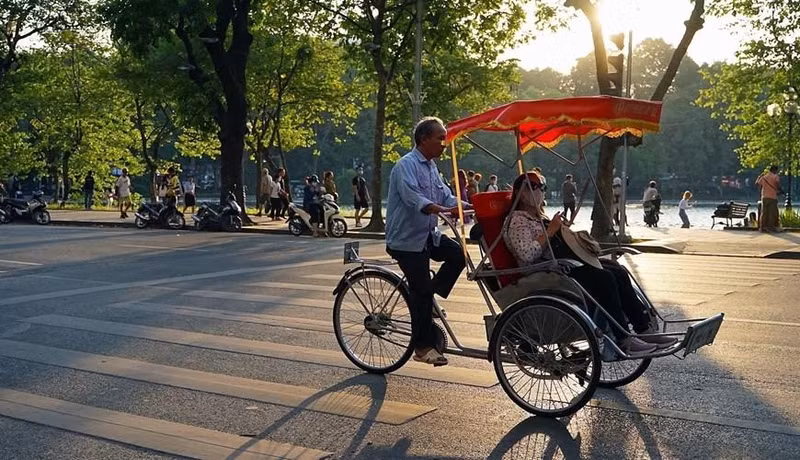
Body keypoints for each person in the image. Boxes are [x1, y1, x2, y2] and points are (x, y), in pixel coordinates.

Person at [502, 172, 675, 356]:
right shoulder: (517, 220)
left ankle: (643, 329)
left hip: (563, 263)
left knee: (618, 270)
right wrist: (550, 232)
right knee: (604, 278)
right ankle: (623, 339)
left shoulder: (538, 217)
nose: (541, 192)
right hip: (545, 272)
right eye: (536, 187)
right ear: (521, 193)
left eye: (542, 187)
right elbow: (527, 254)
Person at [386, 117, 471, 367]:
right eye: (440, 138)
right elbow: (414, 199)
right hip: (406, 241)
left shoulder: (432, 167)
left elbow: (446, 194)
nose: (444, 144)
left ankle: (430, 298)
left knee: (459, 256)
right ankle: (422, 348)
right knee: (420, 292)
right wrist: (441, 209)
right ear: (424, 139)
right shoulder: (405, 166)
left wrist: (470, 206)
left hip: (428, 236)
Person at [756, 165, 781, 232]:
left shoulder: (764, 177)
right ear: (775, 170)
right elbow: (777, 184)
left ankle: (763, 227)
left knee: (764, 213)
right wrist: (779, 190)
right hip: (772, 197)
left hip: (764, 197)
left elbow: (758, 184)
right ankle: (771, 227)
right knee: (772, 213)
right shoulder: (775, 176)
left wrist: (759, 177)